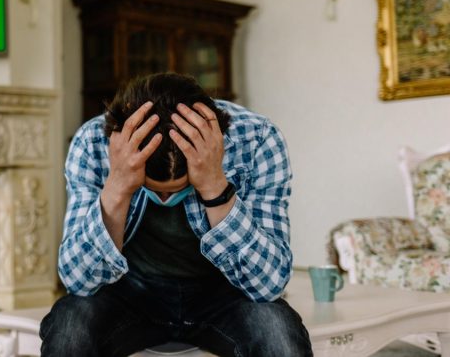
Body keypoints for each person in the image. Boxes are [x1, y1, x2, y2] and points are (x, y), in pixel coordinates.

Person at [40, 73, 312, 357]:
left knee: (278, 334)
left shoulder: (257, 139)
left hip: (225, 291)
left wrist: (213, 185)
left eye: (180, 189)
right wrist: (118, 186)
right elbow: (78, 280)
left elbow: (269, 285)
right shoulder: (93, 142)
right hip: (128, 292)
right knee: (70, 326)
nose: (166, 200)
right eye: (154, 190)